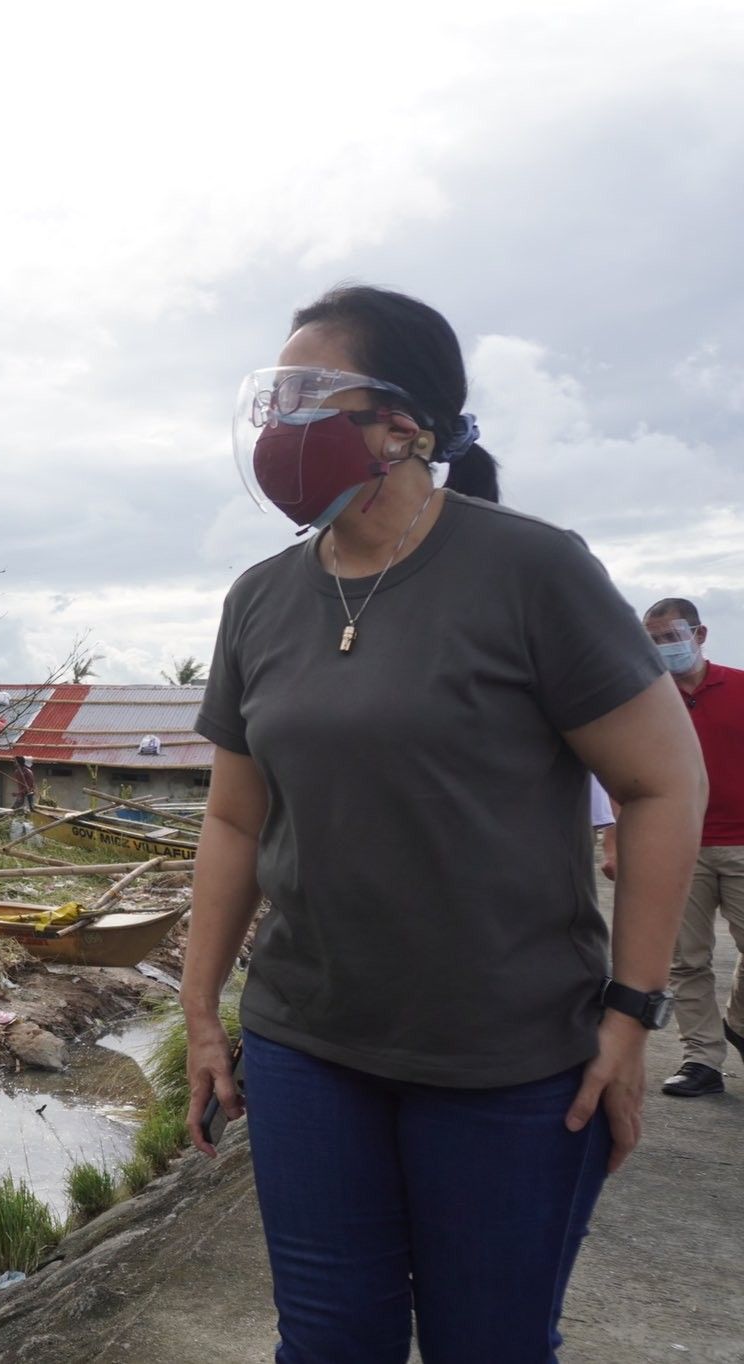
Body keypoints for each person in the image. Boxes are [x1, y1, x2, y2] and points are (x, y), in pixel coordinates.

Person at [187, 284, 705, 1362]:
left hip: (510, 1060)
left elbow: (664, 785)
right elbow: (235, 820)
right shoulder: (257, 600)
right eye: (269, 400)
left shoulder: (529, 569)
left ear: (403, 423)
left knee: (491, 1343)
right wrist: (201, 1009)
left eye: (306, 395)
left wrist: (628, 1014)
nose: (277, 425)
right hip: (307, 1041)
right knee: (330, 1342)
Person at [642, 597, 744, 1098]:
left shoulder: (741, 687)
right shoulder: (645, 700)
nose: (663, 648)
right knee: (687, 960)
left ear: (699, 635)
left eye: (671, 637)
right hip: (680, 846)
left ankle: (738, 1022)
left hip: (742, 842)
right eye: (653, 640)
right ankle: (701, 1059)